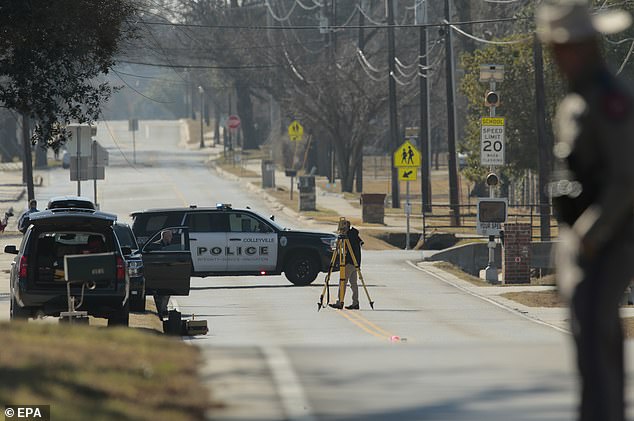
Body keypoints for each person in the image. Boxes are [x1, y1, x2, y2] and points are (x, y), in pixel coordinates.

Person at [537, 2, 634, 420]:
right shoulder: (583, 94)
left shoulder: (610, 100)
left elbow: (627, 178)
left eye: (562, 47)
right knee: (590, 349)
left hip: (608, 240)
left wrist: (591, 237)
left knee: (597, 349)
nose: (556, 57)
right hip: (586, 239)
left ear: (582, 46)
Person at [330, 220, 364, 310]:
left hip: (349, 262)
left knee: (342, 282)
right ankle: (355, 303)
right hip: (355, 263)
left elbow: (344, 249)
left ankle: (339, 302)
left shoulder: (348, 237)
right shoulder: (354, 235)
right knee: (353, 284)